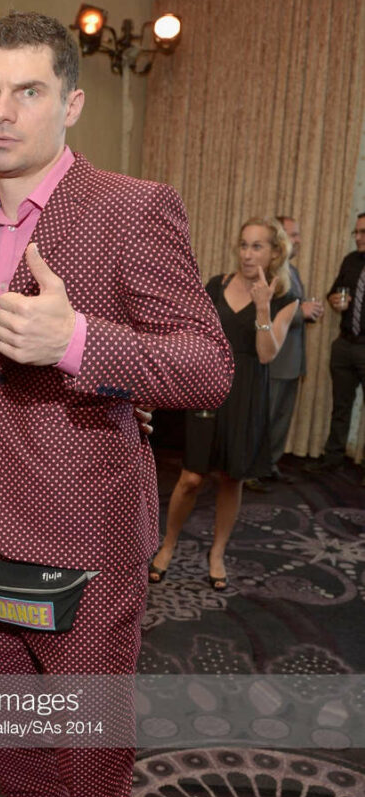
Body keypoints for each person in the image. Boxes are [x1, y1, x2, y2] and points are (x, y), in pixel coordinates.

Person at [0, 11, 233, 797]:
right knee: (15, 738)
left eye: (28, 91)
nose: (3, 110)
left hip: (85, 530)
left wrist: (77, 338)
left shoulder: (129, 208)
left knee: (88, 749)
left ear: (70, 103)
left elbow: (206, 365)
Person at [150, 217, 298, 590]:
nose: (247, 254)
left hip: (247, 393)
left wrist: (262, 308)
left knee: (232, 477)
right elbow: (194, 333)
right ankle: (167, 545)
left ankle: (217, 553)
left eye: (257, 246)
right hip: (208, 388)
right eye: (244, 245)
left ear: (275, 252)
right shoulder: (217, 285)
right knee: (191, 477)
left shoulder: (285, 298)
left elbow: (266, 354)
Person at [244, 215, 323, 491]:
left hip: (292, 361)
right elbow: (269, 314)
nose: (298, 240)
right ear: (279, 241)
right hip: (274, 361)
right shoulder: (266, 277)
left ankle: (269, 465)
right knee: (264, 420)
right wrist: (301, 313)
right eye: (293, 234)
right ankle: (252, 471)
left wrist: (306, 311)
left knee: (280, 421)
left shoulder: (293, 272)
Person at [306, 212, 365, 471]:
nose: (358, 238)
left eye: (363, 232)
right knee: (340, 406)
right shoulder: (350, 260)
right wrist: (334, 301)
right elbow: (334, 292)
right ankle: (333, 459)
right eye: (356, 232)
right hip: (344, 344)